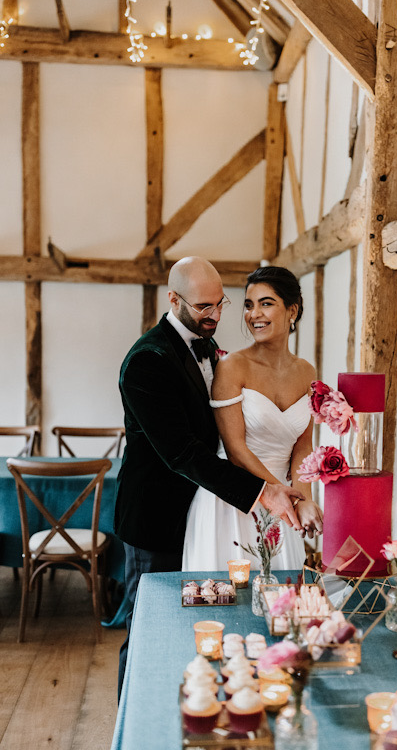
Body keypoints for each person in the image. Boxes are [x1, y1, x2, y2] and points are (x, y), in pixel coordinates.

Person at [114, 257, 306, 697]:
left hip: (205, 512)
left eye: (220, 304)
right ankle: (133, 727)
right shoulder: (147, 360)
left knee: (207, 626)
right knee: (149, 631)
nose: (215, 316)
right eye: (203, 307)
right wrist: (264, 492)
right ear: (173, 299)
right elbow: (184, 453)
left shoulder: (212, 351)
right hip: (155, 518)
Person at [182, 265, 323, 571]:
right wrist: (287, 497)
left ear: (292, 311)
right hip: (234, 500)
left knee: (283, 607)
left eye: (266, 303)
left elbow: (303, 446)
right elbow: (235, 449)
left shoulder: (307, 372)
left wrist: (305, 498)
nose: (254, 314)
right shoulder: (233, 367)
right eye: (248, 305)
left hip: (284, 505)